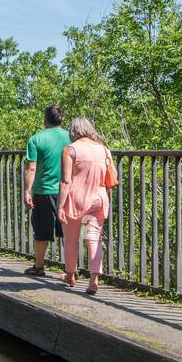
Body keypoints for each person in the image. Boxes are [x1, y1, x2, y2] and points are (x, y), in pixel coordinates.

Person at [58, 117, 116, 295]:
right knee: (94, 239)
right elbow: (110, 179)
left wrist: (60, 206)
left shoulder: (70, 150)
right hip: (99, 198)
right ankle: (94, 279)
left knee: (71, 239)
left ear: (73, 131)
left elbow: (66, 181)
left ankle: (70, 274)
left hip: (77, 200)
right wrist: (108, 199)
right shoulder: (104, 150)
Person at [23, 104, 70, 276]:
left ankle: (39, 266)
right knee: (67, 230)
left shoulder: (36, 139)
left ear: (45, 120)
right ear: (61, 119)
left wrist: (27, 191)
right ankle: (70, 269)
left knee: (42, 229)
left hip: (44, 190)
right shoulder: (71, 137)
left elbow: (31, 168)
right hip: (68, 190)